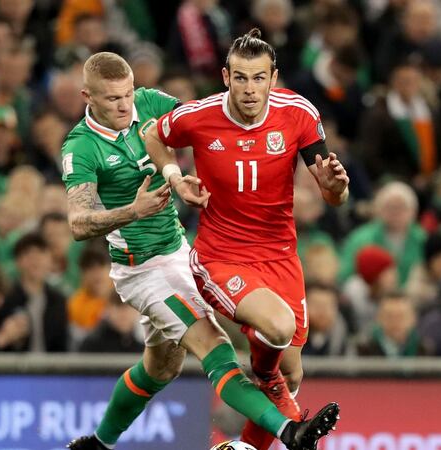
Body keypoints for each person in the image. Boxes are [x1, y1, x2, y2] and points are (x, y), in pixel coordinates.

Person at [62, 51, 338, 450]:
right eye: (111, 99)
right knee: (216, 350)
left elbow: (207, 122)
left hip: (177, 250)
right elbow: (78, 222)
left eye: (127, 93)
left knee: (161, 368)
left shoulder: (148, 103)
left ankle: (98, 445)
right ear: (88, 96)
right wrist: (131, 211)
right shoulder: (81, 147)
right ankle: (287, 431)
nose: (124, 105)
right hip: (143, 270)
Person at [145, 30, 347, 450]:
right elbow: (153, 134)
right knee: (277, 332)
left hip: (281, 258)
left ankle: (241, 448)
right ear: (225, 77)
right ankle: (268, 382)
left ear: (274, 78)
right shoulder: (199, 116)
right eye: (240, 78)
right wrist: (174, 177)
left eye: (259, 78)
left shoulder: (298, 113)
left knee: (293, 374)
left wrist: (334, 188)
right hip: (222, 257)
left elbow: (333, 195)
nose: (250, 89)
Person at [3, 233, 67, 353]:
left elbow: (62, 345)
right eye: (28, 254)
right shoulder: (6, 299)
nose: (35, 260)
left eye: (41, 253)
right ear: (17, 261)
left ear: (50, 259)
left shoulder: (58, 300)